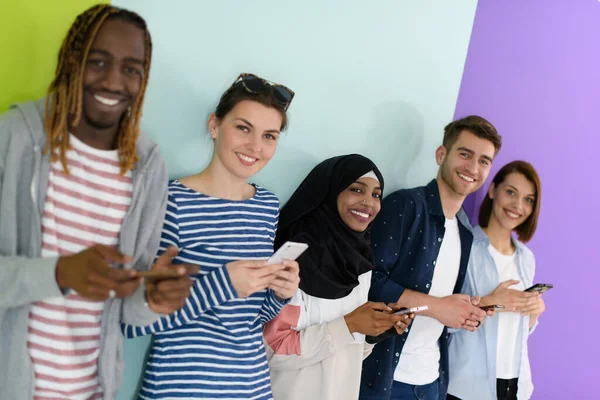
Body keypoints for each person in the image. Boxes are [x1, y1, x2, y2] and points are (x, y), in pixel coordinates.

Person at [0, 5, 196, 400]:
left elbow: (124, 310)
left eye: (131, 69)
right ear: (71, 61)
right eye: (98, 61)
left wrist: (152, 299)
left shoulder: (146, 168)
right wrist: (58, 273)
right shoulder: (14, 139)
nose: (112, 81)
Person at [122, 73, 301, 399]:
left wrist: (280, 293)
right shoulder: (172, 202)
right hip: (180, 390)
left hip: (252, 388)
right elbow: (134, 321)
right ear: (215, 126)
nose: (255, 147)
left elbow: (250, 320)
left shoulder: (267, 206)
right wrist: (221, 284)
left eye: (269, 136)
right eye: (243, 128)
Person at [359, 115, 503, 400]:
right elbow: (367, 279)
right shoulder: (406, 205)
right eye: (465, 154)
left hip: (433, 382)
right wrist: (438, 307)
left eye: (484, 161)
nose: (473, 168)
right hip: (385, 379)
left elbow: (443, 302)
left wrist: (466, 310)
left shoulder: (465, 231)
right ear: (442, 155)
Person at [264, 154, 413, 400]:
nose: (369, 202)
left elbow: (349, 351)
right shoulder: (292, 260)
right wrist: (350, 324)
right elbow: (274, 350)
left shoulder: (361, 265)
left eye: (376, 194)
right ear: (329, 192)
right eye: (356, 190)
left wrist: (374, 330)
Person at [447, 161, 545, 400]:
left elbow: (515, 329)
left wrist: (534, 313)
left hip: (515, 384)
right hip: (468, 386)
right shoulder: (464, 246)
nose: (517, 205)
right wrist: (490, 301)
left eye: (528, 199)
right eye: (511, 192)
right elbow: (444, 320)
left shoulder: (526, 258)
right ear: (492, 190)